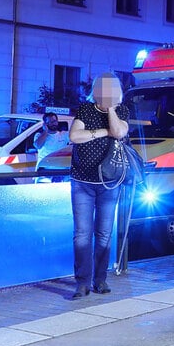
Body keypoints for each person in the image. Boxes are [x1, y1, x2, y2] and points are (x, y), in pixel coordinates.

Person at [67, 74, 130, 299]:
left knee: (104, 233)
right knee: (82, 234)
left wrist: (111, 109)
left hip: (109, 183)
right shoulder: (86, 109)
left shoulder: (121, 111)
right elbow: (74, 136)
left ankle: (100, 279)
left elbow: (120, 132)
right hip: (82, 181)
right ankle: (82, 282)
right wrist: (103, 132)